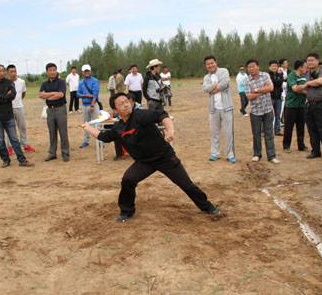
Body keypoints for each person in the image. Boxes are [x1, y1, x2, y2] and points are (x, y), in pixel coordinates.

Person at [82, 92, 221, 222]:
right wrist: (88, 128)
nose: (126, 105)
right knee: (128, 180)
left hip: (165, 157)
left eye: (127, 101)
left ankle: (207, 207)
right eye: (121, 104)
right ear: (115, 110)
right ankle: (126, 211)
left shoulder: (140, 115)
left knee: (186, 184)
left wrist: (170, 130)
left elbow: (162, 115)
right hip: (144, 162)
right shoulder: (118, 127)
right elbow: (103, 137)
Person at [0, 64, 33, 168]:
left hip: (8, 116)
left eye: (3, 70)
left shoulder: (9, 82)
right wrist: (5, 96)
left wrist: (0, 96)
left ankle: (22, 160)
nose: (1, 72)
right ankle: (5, 160)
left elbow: (13, 95)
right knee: (0, 140)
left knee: (14, 139)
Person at [244, 59, 279, 164]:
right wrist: (264, 90)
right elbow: (249, 96)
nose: (252, 69)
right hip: (255, 111)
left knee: (269, 133)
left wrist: (256, 90)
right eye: (249, 67)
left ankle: (271, 156)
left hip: (268, 109)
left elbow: (271, 87)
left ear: (258, 66)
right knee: (256, 134)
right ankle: (257, 154)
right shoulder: (247, 80)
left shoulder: (265, 75)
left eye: (253, 66)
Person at [202, 55, 235, 163]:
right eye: (208, 64)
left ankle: (230, 154)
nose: (210, 65)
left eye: (212, 63)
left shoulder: (224, 71)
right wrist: (216, 86)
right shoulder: (206, 77)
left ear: (216, 63)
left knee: (228, 132)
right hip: (213, 109)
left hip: (226, 107)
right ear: (205, 66)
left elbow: (225, 82)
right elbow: (205, 88)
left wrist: (213, 88)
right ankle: (214, 153)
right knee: (214, 132)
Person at [304, 53, 322, 162]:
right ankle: (315, 151)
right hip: (310, 105)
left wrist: (306, 84)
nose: (310, 62)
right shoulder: (307, 73)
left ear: (317, 61)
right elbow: (306, 89)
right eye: (308, 60)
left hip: (321, 104)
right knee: (312, 130)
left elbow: (319, 81)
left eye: (312, 60)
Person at [39, 62, 70, 162]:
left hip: (60, 109)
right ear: (47, 72)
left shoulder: (61, 82)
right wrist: (53, 93)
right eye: (50, 70)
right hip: (50, 110)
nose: (52, 72)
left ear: (56, 71)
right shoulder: (44, 83)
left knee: (63, 132)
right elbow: (40, 95)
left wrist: (47, 95)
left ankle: (65, 153)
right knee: (52, 132)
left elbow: (60, 95)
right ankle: (52, 153)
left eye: (54, 70)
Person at [5, 64, 36, 154]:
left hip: (19, 107)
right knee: (10, 128)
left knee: (22, 127)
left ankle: (25, 145)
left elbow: (23, 93)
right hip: (8, 109)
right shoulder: (5, 83)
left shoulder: (22, 82)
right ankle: (10, 147)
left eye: (15, 71)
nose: (13, 73)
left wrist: (18, 101)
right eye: (11, 72)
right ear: (8, 73)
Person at [283, 60, 308, 152]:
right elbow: (295, 89)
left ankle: (301, 145)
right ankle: (286, 146)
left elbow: (301, 88)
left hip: (301, 105)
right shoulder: (291, 76)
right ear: (300, 67)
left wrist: (304, 88)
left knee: (301, 127)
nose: (306, 69)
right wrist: (306, 89)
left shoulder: (304, 76)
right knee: (288, 127)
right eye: (305, 67)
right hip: (291, 106)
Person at [77, 64, 100, 148]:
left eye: (88, 70)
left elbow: (95, 93)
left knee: (97, 123)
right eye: (85, 71)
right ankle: (86, 141)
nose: (86, 72)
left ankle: (100, 141)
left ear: (90, 71)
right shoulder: (80, 82)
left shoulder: (95, 81)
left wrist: (92, 105)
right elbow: (77, 94)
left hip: (93, 105)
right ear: (82, 72)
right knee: (86, 124)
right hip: (84, 105)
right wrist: (86, 95)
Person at [268, 60, 284, 136]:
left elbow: (280, 82)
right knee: (269, 115)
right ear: (269, 67)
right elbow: (274, 82)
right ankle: (267, 131)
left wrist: (279, 79)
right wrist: (278, 80)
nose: (274, 67)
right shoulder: (267, 75)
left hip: (278, 98)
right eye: (273, 66)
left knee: (278, 115)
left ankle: (277, 130)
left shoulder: (280, 74)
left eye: (276, 66)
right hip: (270, 97)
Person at [278, 59, 291, 123]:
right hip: (281, 90)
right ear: (282, 64)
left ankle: (284, 119)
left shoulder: (288, 70)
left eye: (287, 62)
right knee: (281, 105)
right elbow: (281, 80)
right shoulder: (279, 70)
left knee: (286, 105)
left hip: (287, 90)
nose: (287, 64)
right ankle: (279, 120)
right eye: (285, 63)